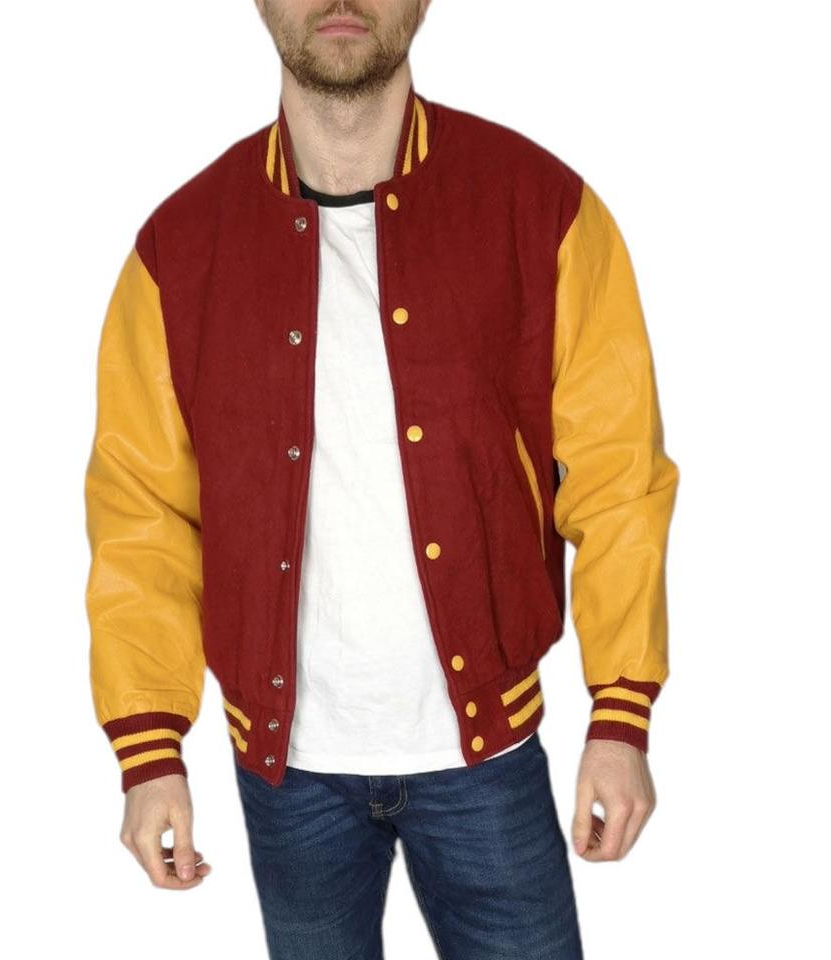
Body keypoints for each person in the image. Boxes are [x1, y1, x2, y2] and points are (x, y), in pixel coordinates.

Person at [83, 1, 680, 957]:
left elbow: (616, 479)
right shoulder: (179, 249)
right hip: (285, 775)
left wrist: (620, 713)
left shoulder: (540, 208)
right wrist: (148, 747)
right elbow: (142, 514)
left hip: (487, 753)